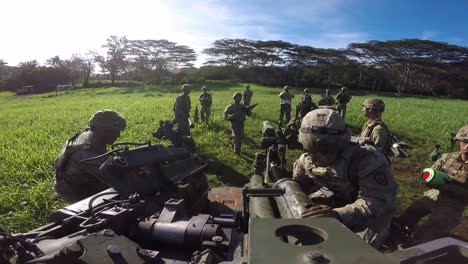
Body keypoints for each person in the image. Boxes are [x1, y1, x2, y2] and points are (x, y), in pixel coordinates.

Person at [293, 109, 397, 247]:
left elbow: (379, 201)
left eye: (330, 150)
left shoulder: (368, 158)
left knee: (355, 250)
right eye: (314, 152)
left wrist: (338, 215)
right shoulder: (305, 159)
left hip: (371, 212)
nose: (322, 157)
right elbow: (297, 186)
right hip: (336, 200)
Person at [396, 125, 468, 246]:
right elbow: (429, 174)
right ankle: (399, 236)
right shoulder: (447, 157)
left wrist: (452, 187)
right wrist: (430, 180)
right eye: (464, 142)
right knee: (406, 217)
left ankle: (412, 250)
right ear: (459, 141)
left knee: (427, 232)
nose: (466, 147)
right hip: (434, 195)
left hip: (453, 205)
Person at [54, 110, 126, 203]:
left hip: (84, 178)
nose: (118, 135)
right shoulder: (85, 151)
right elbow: (110, 179)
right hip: (73, 190)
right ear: (102, 130)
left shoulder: (93, 135)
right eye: (114, 132)